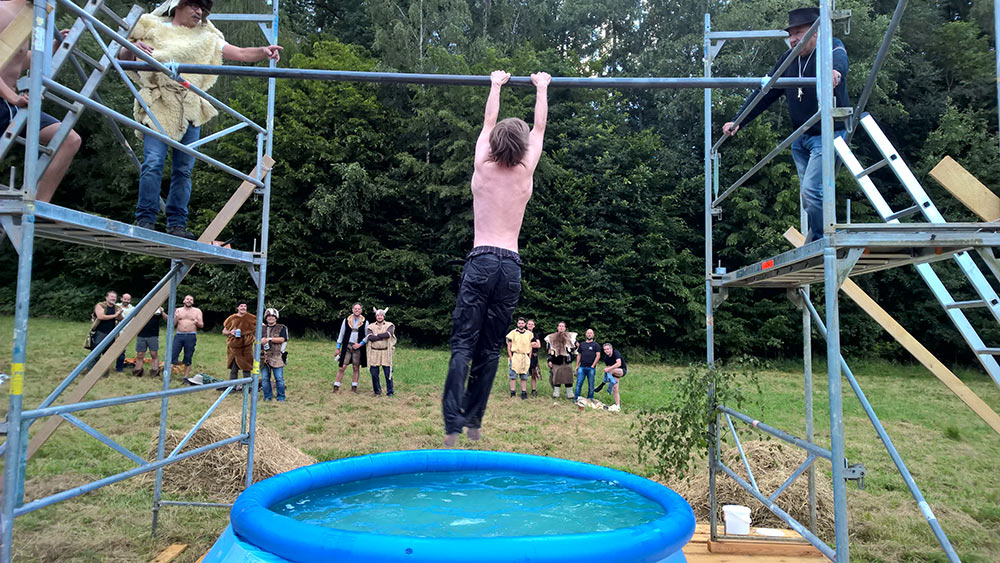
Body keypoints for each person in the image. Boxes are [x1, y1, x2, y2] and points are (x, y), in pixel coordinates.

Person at [441, 69, 550, 447]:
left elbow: (489, 122)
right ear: (521, 147)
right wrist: (541, 88)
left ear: (493, 144)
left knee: (463, 345)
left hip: (482, 259)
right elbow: (539, 129)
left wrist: (495, 84)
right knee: (489, 348)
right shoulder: (525, 171)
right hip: (510, 267)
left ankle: (452, 426)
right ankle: (474, 421)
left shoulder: (483, 167)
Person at [119, 0, 282, 239]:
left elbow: (239, 53)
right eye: (194, 6)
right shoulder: (151, 26)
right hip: (159, 104)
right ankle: (145, 220)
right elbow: (121, 55)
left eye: (202, 9)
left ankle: (177, 225)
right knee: (153, 162)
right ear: (178, 5)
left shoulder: (207, 37)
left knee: (183, 170)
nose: (199, 12)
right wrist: (132, 48)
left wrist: (263, 52)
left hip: (190, 107)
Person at [722, 7, 849, 242]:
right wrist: (739, 119)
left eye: (799, 33)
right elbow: (765, 93)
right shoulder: (788, 60)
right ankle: (822, 237)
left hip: (827, 134)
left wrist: (835, 72)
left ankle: (826, 240)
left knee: (812, 191)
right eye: (790, 35)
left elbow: (840, 58)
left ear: (814, 31)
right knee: (808, 196)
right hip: (800, 137)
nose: (793, 39)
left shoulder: (829, 46)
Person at [0, 0, 81, 203]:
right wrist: (13, 97)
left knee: (68, 139)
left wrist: (53, 46)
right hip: (7, 100)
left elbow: (17, 60)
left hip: (12, 104)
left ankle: (37, 207)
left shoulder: (27, 16)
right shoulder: (2, 11)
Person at [222, 300, 256, 391]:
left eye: (245, 306)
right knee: (234, 369)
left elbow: (261, 326)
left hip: (246, 347)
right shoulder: (232, 318)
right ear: (237, 307)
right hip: (234, 346)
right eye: (241, 306)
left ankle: (247, 388)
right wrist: (230, 332)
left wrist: (253, 337)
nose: (243, 308)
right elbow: (224, 331)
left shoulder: (252, 318)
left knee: (246, 367)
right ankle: (232, 387)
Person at [334, 303, 368, 393]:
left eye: (359, 309)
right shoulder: (346, 320)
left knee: (356, 367)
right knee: (342, 366)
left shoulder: (365, 322)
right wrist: (338, 347)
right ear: (352, 309)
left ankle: (354, 387)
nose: (357, 310)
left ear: (361, 310)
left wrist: (360, 344)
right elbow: (341, 334)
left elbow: (367, 336)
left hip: (358, 347)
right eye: (355, 308)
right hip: (347, 346)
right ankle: (336, 386)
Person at [366, 307, 396, 397]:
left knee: (388, 373)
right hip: (374, 352)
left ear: (384, 316)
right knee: (374, 373)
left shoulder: (390, 325)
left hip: (386, 352)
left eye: (381, 315)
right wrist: (381, 336)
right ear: (376, 316)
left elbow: (388, 334)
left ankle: (390, 392)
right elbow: (370, 337)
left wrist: (376, 335)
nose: (379, 317)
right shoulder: (371, 326)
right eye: (378, 315)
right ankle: (377, 391)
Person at [172, 294, 203, 380]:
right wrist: (176, 317)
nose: (189, 301)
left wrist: (197, 322)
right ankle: (168, 376)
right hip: (179, 335)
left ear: (193, 302)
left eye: (191, 299)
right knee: (173, 355)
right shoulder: (178, 310)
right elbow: (173, 324)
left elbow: (201, 325)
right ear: (184, 301)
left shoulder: (197, 311)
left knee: (188, 356)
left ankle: (185, 377)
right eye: (187, 299)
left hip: (191, 335)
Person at [91, 291, 123, 374]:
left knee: (107, 354)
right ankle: (90, 372)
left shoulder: (117, 308)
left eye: (115, 297)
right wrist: (115, 315)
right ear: (106, 298)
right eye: (111, 296)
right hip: (100, 332)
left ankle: (104, 373)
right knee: (96, 353)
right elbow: (100, 316)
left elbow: (121, 319)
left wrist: (119, 314)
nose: (113, 298)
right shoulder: (100, 305)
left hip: (112, 334)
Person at [260, 308, 287, 401]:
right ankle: (267, 397)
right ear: (266, 318)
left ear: (276, 318)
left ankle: (281, 397)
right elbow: (255, 340)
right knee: (265, 379)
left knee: (279, 378)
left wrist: (269, 339)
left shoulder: (282, 327)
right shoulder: (261, 328)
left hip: (277, 356)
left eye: (272, 316)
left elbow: (282, 339)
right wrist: (261, 341)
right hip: (263, 356)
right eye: (268, 316)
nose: (270, 318)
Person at [545, 321, 577, 400]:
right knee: (556, 377)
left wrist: (572, 356)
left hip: (566, 360)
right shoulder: (551, 337)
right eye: (560, 326)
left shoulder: (570, 337)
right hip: (556, 360)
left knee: (568, 377)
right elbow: (549, 350)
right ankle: (556, 393)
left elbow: (575, 348)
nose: (561, 327)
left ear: (565, 328)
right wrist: (549, 360)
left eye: (563, 326)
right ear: (557, 327)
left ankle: (569, 394)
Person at [133, 305, 168, 377]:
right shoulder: (141, 308)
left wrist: (162, 311)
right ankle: (138, 371)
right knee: (140, 354)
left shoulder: (157, 310)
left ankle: (155, 371)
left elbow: (168, 320)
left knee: (153, 353)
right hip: (141, 335)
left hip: (153, 335)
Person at [594, 342, 626, 412]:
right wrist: (607, 369)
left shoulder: (616, 353)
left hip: (621, 370)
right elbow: (608, 369)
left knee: (610, 370)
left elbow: (619, 363)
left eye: (607, 349)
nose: (606, 351)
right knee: (615, 389)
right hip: (613, 374)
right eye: (605, 349)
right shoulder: (606, 359)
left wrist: (608, 369)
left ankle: (602, 384)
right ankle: (618, 406)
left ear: (611, 349)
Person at [505, 317, 532, 400]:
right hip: (515, 356)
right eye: (519, 323)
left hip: (525, 356)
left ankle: (524, 392)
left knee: (524, 376)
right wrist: (511, 357)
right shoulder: (512, 333)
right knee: (513, 375)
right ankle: (512, 392)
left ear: (525, 324)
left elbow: (531, 346)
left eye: (522, 323)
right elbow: (509, 346)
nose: (521, 325)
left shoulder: (529, 334)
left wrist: (529, 357)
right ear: (517, 324)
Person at [574, 328, 601, 401]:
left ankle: (590, 399)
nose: (589, 334)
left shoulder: (596, 345)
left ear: (593, 335)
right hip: (582, 367)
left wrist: (593, 365)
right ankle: (576, 399)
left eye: (591, 333)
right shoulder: (582, 344)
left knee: (591, 385)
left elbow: (598, 356)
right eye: (588, 333)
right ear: (586, 334)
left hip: (591, 368)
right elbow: (579, 355)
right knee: (579, 383)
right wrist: (577, 366)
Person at [526, 319, 541, 397]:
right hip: (525, 355)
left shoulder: (535, 335)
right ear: (526, 325)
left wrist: (532, 344)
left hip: (534, 356)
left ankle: (533, 390)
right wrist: (531, 344)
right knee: (524, 374)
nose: (530, 325)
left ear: (534, 326)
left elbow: (539, 345)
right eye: (529, 324)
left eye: (532, 324)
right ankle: (523, 390)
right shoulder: (523, 333)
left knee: (533, 374)